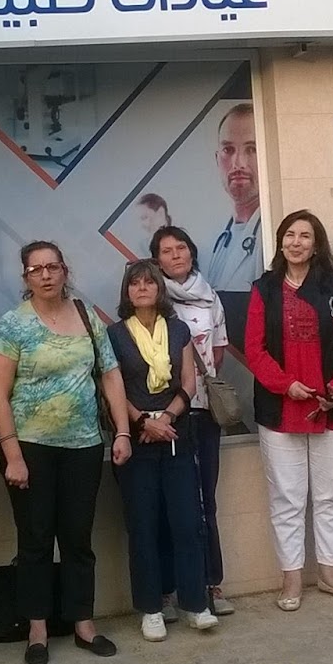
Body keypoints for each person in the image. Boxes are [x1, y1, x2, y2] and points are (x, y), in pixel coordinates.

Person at [0, 241, 134, 664]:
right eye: (36, 269)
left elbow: (109, 375)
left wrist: (122, 432)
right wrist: (13, 454)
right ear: (26, 277)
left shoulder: (87, 317)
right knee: (34, 540)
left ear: (65, 271)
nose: (46, 275)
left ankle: (83, 623)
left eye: (52, 266)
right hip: (30, 449)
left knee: (77, 539)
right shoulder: (13, 324)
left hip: (83, 446)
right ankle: (37, 629)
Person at [244, 210, 333, 612]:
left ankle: (329, 574)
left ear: (316, 244)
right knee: (287, 499)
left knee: (331, 496)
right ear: (280, 242)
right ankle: (291, 579)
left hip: (332, 409)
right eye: (290, 235)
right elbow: (255, 351)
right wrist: (285, 385)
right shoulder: (264, 290)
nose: (296, 242)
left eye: (305, 236)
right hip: (280, 410)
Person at [106, 258, 220, 642]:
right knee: (143, 527)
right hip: (136, 439)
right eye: (134, 283)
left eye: (148, 282)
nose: (142, 288)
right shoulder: (114, 334)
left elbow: (188, 381)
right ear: (127, 291)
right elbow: (113, 388)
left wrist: (167, 417)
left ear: (159, 288)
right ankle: (152, 609)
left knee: (187, 522)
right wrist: (143, 422)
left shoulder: (178, 329)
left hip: (176, 434)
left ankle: (196, 604)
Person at [151, 225, 234, 616]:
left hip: (202, 411)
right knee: (169, 503)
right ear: (157, 260)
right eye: (166, 251)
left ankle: (211, 583)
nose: (176, 255)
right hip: (165, 414)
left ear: (192, 252)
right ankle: (168, 590)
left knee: (205, 502)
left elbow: (218, 353)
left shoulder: (210, 296)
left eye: (181, 247)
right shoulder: (153, 297)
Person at [205, 103, 261, 292]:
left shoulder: (275, 235)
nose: (238, 163)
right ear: (217, 159)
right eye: (228, 150)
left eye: (251, 149)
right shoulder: (212, 240)